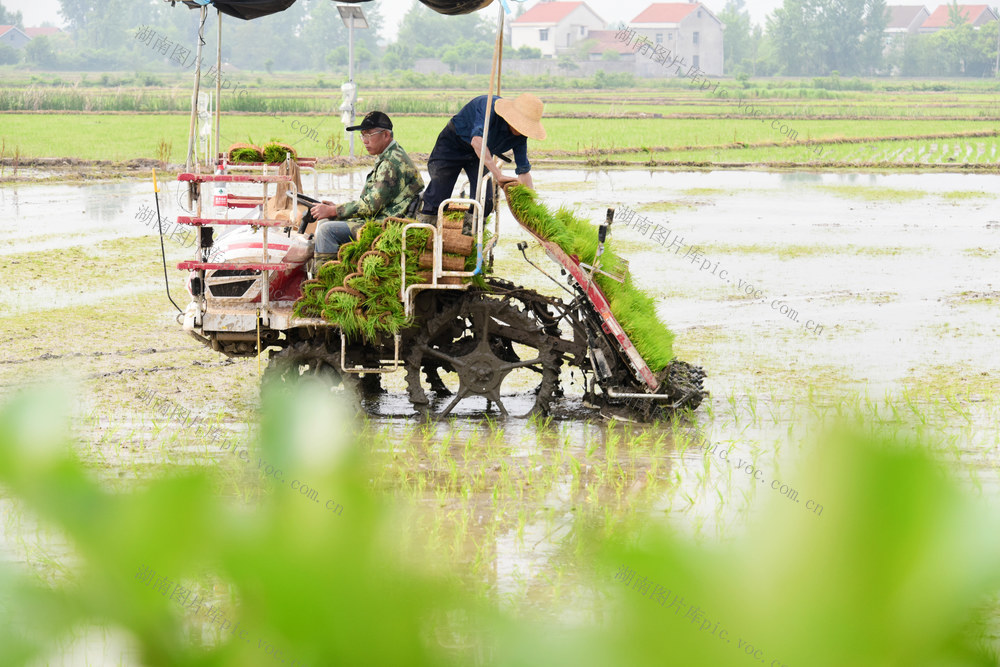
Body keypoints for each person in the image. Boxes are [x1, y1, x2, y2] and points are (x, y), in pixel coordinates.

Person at [311, 111, 424, 265]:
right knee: (325, 223)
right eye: (363, 135)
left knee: (326, 231)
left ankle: (324, 278)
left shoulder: (390, 163)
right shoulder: (391, 155)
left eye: (369, 134)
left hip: (385, 224)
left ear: (386, 135)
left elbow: (371, 205)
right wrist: (337, 209)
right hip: (382, 217)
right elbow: (372, 202)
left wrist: (334, 210)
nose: (365, 141)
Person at [419, 93, 545, 225]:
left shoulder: (520, 136)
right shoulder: (488, 107)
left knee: (485, 201)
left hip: (481, 155)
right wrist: (498, 175)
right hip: (454, 144)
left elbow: (523, 171)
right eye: (521, 124)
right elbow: (477, 142)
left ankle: (469, 237)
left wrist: (532, 206)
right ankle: (425, 230)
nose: (522, 130)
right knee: (437, 197)